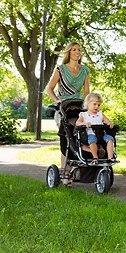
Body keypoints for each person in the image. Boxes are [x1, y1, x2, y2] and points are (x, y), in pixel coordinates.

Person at [46, 42, 91, 178]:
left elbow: (87, 92)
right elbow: (49, 88)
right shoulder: (61, 69)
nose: (77, 52)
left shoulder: (85, 70)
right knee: (67, 136)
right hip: (63, 109)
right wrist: (57, 101)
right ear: (69, 53)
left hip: (78, 108)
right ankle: (64, 170)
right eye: (74, 50)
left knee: (80, 136)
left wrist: (88, 107)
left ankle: (78, 166)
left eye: (79, 50)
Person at [75, 92, 118, 165]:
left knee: (110, 139)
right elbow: (77, 123)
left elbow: (108, 121)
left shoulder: (100, 114)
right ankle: (95, 157)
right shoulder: (84, 115)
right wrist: (85, 124)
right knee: (92, 140)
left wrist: (110, 123)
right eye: (94, 104)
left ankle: (110, 157)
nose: (97, 107)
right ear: (88, 104)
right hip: (91, 134)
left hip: (102, 135)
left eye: (99, 105)